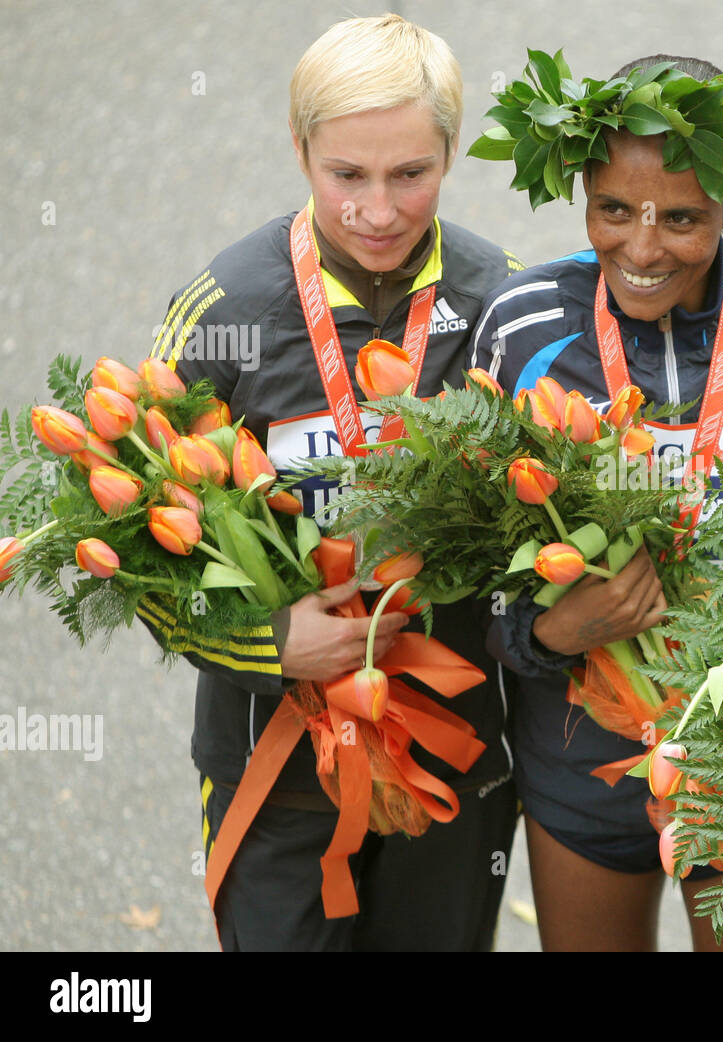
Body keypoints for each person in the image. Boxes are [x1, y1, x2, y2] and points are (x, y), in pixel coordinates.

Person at [469, 54, 723, 951]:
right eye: (614, 210)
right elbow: (473, 569)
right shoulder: (521, 329)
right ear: (582, 188)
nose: (644, 247)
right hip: (583, 758)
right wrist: (543, 634)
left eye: (684, 218)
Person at [141, 14, 522, 951]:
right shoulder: (224, 312)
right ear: (300, 148)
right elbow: (141, 554)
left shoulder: (504, 300)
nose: (380, 209)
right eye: (346, 174)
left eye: (411, 173)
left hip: (453, 748)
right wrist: (271, 643)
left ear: (450, 152)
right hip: (274, 759)